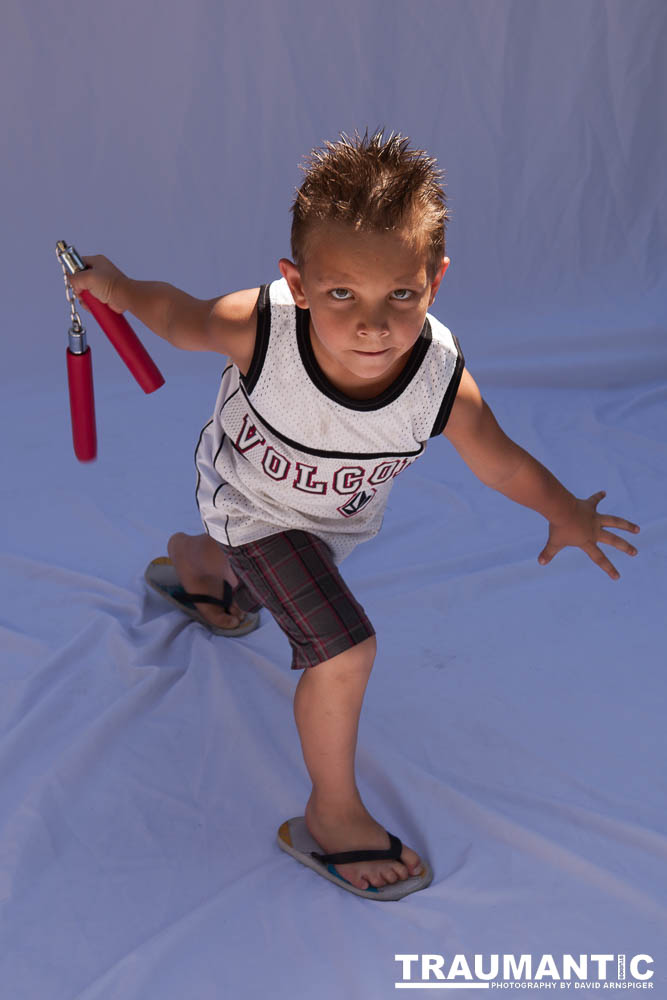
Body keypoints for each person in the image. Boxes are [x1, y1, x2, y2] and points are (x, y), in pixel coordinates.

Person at [67, 127, 640, 900]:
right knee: (343, 649)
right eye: (342, 294)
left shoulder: (438, 379)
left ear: (433, 282)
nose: (372, 323)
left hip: (328, 518)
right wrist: (122, 289)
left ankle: (195, 569)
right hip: (250, 500)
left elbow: (497, 457)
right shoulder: (259, 325)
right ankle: (330, 816)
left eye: (398, 295)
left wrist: (563, 510)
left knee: (254, 563)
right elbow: (179, 317)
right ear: (297, 284)